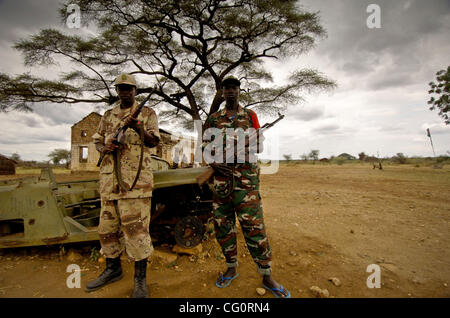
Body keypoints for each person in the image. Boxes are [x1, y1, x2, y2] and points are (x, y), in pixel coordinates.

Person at [203, 76, 290, 298]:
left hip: (246, 184)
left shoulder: (250, 116)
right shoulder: (213, 119)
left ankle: (266, 275)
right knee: (223, 227)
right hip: (220, 184)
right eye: (226, 88)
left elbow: (260, 146)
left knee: (254, 228)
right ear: (222, 92)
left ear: (239, 91)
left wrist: (245, 144)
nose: (230, 91)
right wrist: (214, 162)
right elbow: (205, 146)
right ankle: (231, 267)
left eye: (234, 88)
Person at [86, 73, 160, 298]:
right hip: (110, 183)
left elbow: (154, 142)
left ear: (135, 91)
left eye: (129, 88)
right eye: (121, 88)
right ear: (117, 91)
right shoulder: (108, 115)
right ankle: (112, 269)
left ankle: (139, 280)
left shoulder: (147, 113)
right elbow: (97, 140)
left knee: (136, 232)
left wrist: (138, 127)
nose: (125, 92)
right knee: (107, 230)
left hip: (135, 184)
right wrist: (105, 147)